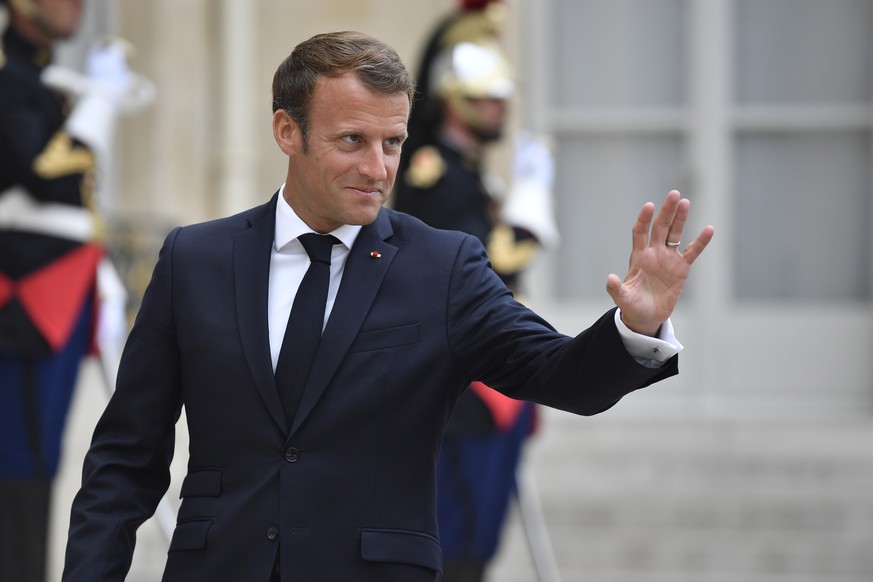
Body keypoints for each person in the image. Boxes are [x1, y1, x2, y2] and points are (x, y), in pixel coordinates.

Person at [62, 30, 713, 582]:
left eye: (392, 143)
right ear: (288, 132)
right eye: (352, 141)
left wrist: (637, 323)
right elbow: (124, 462)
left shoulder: (444, 267)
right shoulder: (193, 261)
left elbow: (563, 374)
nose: (378, 167)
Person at [393, 2, 559, 580]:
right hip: (458, 373)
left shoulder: (469, 171)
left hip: (489, 360)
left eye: (502, 98)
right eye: (488, 100)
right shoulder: (432, 172)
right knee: (454, 535)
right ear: (455, 102)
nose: (501, 110)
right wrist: (531, 207)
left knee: (479, 534)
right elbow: (483, 262)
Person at [0, 0, 149, 579]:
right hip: (26, 295)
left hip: (57, 288)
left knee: (37, 466)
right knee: (20, 465)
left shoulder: (37, 76)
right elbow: (45, 172)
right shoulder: (12, 74)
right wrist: (97, 104)